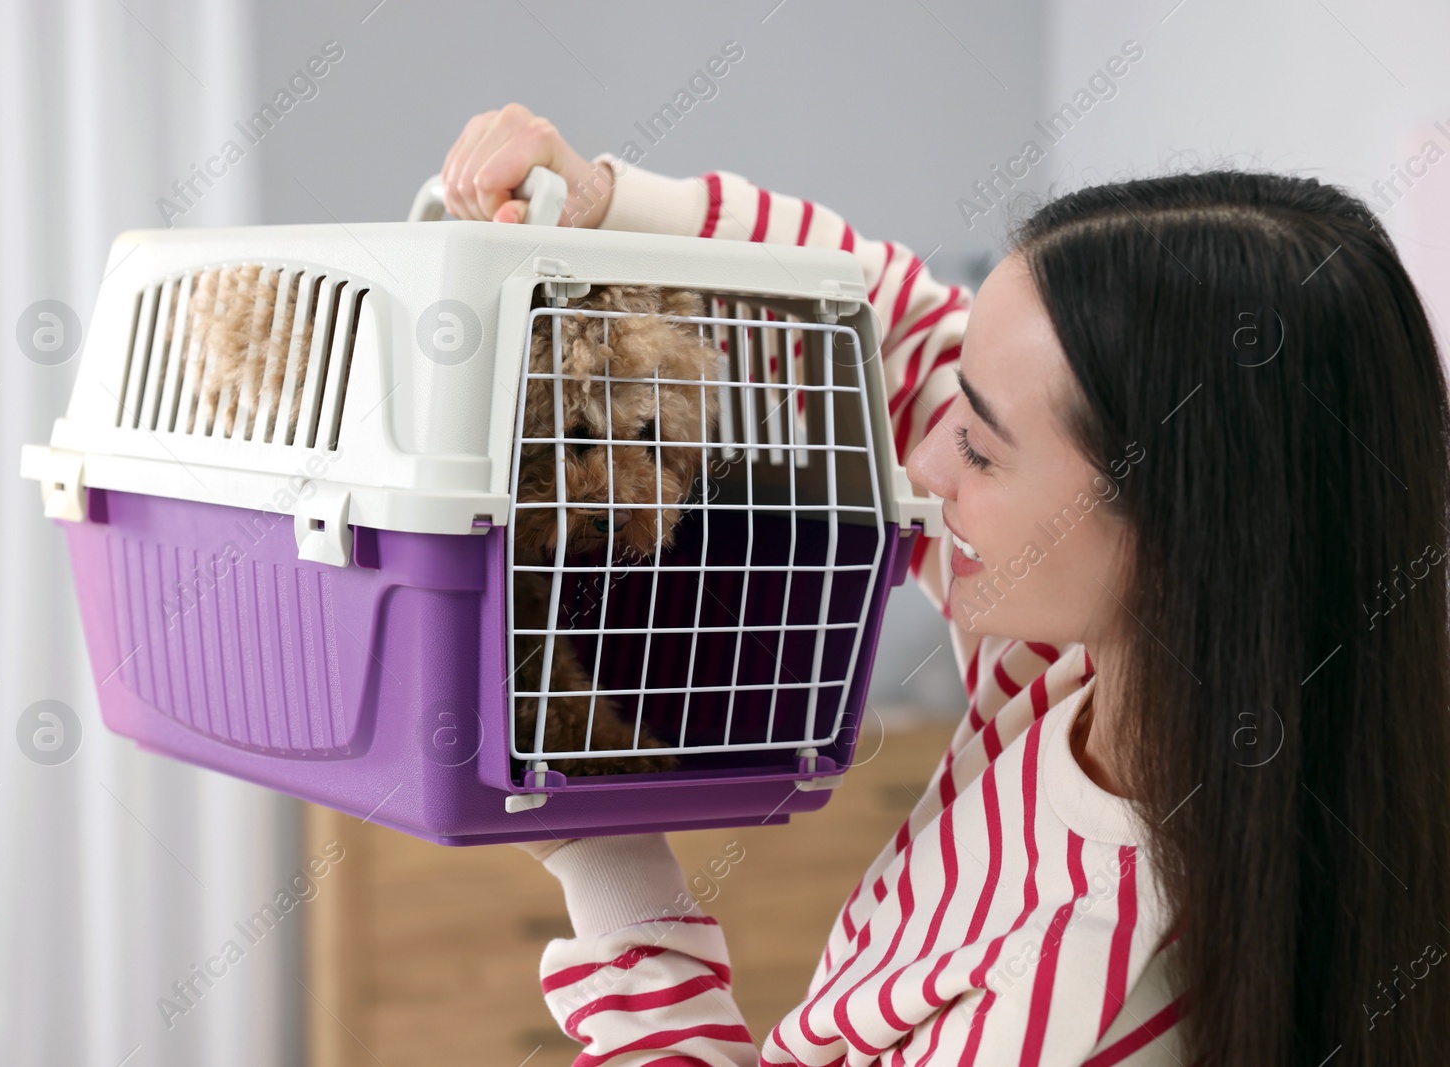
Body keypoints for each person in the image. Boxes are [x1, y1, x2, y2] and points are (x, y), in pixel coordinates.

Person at [438, 104, 1450, 1066]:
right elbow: (882, 323)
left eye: (977, 441)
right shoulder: (1073, 666)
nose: (920, 463)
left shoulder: (1083, 993)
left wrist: (607, 862)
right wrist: (605, 200)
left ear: (1182, 530)